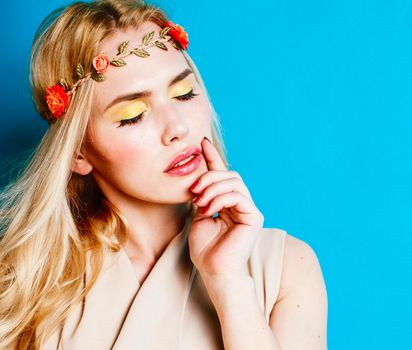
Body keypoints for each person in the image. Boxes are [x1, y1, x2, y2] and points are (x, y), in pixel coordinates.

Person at [0, 0, 328, 349]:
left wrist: (229, 281)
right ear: (78, 152)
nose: (177, 127)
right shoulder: (23, 284)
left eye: (184, 94)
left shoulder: (286, 268)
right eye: (132, 115)